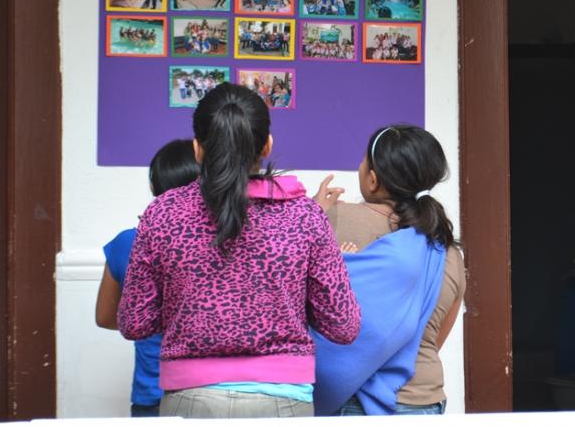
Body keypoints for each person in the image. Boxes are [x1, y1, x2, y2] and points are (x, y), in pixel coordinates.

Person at [118, 83, 360, 419]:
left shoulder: (163, 213)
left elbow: (134, 322)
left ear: (198, 149)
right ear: (267, 146)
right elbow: (343, 325)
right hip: (285, 403)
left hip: (188, 401)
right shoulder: (306, 216)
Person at [311, 125, 465, 416]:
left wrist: (313, 212)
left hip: (350, 401)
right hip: (423, 398)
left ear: (372, 179)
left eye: (363, 161)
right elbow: (435, 337)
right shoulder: (447, 251)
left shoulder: (332, 217)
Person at [95, 139, 201, 417]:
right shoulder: (220, 242)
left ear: (154, 188)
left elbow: (106, 317)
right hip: (205, 391)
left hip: (150, 393)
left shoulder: (126, 242)